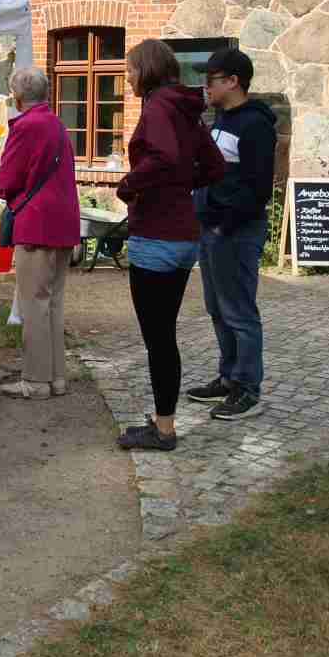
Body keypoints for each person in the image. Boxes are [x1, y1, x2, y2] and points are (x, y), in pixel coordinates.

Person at [115, 40, 225, 452]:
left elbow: (161, 158)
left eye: (129, 69)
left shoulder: (159, 106)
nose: (126, 77)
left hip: (157, 236)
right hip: (181, 236)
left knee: (158, 339)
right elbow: (212, 166)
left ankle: (163, 430)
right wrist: (180, 186)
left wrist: (130, 186)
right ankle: (164, 420)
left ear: (146, 69)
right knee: (164, 336)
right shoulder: (184, 108)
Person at [187, 48, 277, 421]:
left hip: (235, 232)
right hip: (212, 229)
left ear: (232, 81)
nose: (205, 86)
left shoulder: (254, 125)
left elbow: (257, 188)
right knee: (218, 310)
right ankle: (228, 376)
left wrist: (224, 222)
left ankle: (247, 388)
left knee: (239, 313)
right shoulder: (221, 119)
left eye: (210, 79)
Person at [0, 66, 81, 400]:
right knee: (53, 303)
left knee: (34, 304)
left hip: (36, 223)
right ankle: (56, 377)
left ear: (17, 97)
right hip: (63, 221)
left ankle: (35, 380)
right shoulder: (57, 123)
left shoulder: (25, 126)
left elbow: (6, 183)